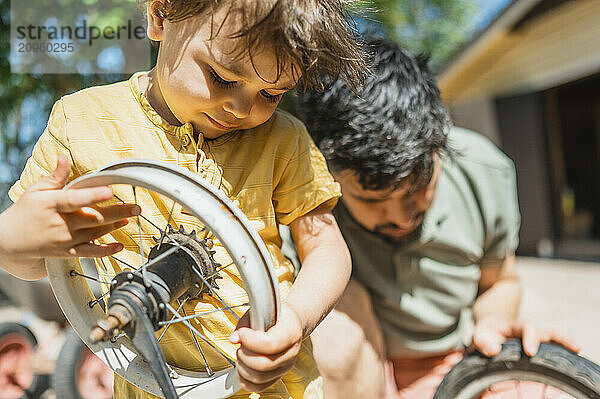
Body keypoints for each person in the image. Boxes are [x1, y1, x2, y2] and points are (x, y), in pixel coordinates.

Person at [1, 1, 365, 397]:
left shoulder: (283, 140)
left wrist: (296, 319)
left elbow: (328, 247)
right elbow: (33, 265)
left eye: (272, 94)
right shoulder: (81, 123)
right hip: (151, 385)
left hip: (270, 387)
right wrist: (12, 239)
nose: (241, 108)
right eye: (223, 78)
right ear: (160, 16)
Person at [296, 37, 578, 399]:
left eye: (417, 189)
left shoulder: (483, 171)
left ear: (439, 144)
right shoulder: (308, 193)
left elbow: (499, 281)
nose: (400, 217)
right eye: (372, 199)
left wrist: (493, 324)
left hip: (456, 353)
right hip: (365, 363)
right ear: (328, 174)